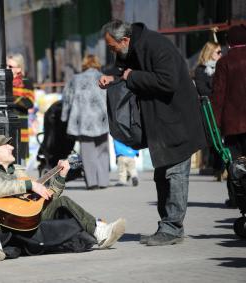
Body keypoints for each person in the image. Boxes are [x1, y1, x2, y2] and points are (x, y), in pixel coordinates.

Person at [99, 20, 206, 246]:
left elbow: (167, 81)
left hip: (178, 122)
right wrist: (115, 78)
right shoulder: (134, 48)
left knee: (174, 174)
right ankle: (167, 226)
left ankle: (172, 228)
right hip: (162, 123)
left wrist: (131, 77)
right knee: (162, 175)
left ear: (125, 40)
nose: (112, 51)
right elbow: (126, 71)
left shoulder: (156, 46)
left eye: (112, 46)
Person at [0, 135, 126, 262]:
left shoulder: (18, 171)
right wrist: (28, 185)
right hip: (1, 225)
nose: (11, 147)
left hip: (26, 221)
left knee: (62, 201)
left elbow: (46, 196)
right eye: (5, 145)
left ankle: (101, 232)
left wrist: (61, 176)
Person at [61, 54, 110, 190]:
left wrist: (64, 117)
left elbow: (66, 98)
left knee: (88, 152)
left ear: (84, 64)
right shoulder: (104, 77)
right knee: (103, 150)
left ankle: (92, 182)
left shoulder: (75, 79)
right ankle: (103, 181)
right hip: (102, 118)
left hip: (83, 120)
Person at [211, 25, 246, 160]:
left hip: (233, 125)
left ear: (229, 42)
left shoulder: (224, 63)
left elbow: (218, 96)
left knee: (236, 168)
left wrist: (215, 125)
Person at [194, 41, 224, 180]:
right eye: (218, 52)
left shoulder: (223, 67)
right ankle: (215, 167)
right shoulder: (201, 70)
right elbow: (202, 89)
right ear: (210, 53)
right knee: (212, 138)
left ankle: (223, 167)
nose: (221, 54)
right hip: (208, 108)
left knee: (223, 137)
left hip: (221, 107)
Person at [7, 54, 35, 163]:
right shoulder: (3, 82)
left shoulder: (26, 83)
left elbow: (29, 103)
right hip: (5, 123)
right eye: (6, 66)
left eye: (10, 66)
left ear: (19, 68)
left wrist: (12, 98)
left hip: (20, 124)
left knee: (19, 160)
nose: (7, 68)